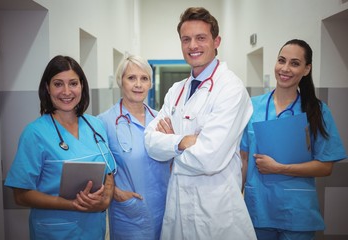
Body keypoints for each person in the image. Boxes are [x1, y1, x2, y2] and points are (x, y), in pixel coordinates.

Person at [144, 7, 257, 240]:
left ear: (216, 41)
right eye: (186, 39)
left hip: (216, 212)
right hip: (178, 207)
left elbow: (209, 159)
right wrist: (183, 141)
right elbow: (150, 142)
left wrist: (170, 149)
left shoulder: (230, 89)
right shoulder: (176, 91)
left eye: (201, 38)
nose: (192, 45)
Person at [240, 39, 347, 240]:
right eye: (281, 60)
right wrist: (235, 196)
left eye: (295, 63)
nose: (285, 68)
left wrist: (279, 168)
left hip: (297, 211)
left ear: (307, 69)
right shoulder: (252, 107)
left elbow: (326, 167)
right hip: (257, 208)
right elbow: (243, 158)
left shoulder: (317, 111)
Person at [4, 55, 116, 240]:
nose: (66, 91)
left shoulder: (96, 126)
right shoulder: (35, 133)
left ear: (81, 86)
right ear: (47, 88)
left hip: (94, 231)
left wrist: (104, 201)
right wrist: (71, 204)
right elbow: (21, 195)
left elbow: (109, 174)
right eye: (58, 84)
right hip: (55, 231)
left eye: (73, 83)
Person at [98, 55, 171, 239]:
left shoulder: (161, 120)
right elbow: (98, 169)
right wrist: (114, 192)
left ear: (150, 84)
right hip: (129, 214)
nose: (138, 84)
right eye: (131, 78)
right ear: (120, 81)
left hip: (166, 207)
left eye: (144, 78)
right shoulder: (104, 122)